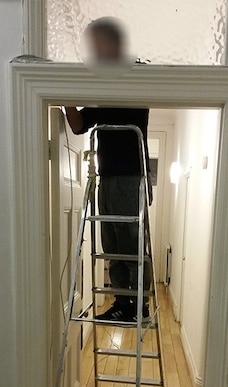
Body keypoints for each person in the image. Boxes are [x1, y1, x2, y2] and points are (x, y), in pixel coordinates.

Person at [64, 17, 152, 322]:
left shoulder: (134, 73)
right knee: (112, 243)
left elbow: (146, 79)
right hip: (108, 176)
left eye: (97, 44)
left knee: (130, 243)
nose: (94, 51)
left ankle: (139, 305)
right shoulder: (101, 90)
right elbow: (76, 126)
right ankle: (122, 303)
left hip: (131, 176)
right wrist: (63, 96)